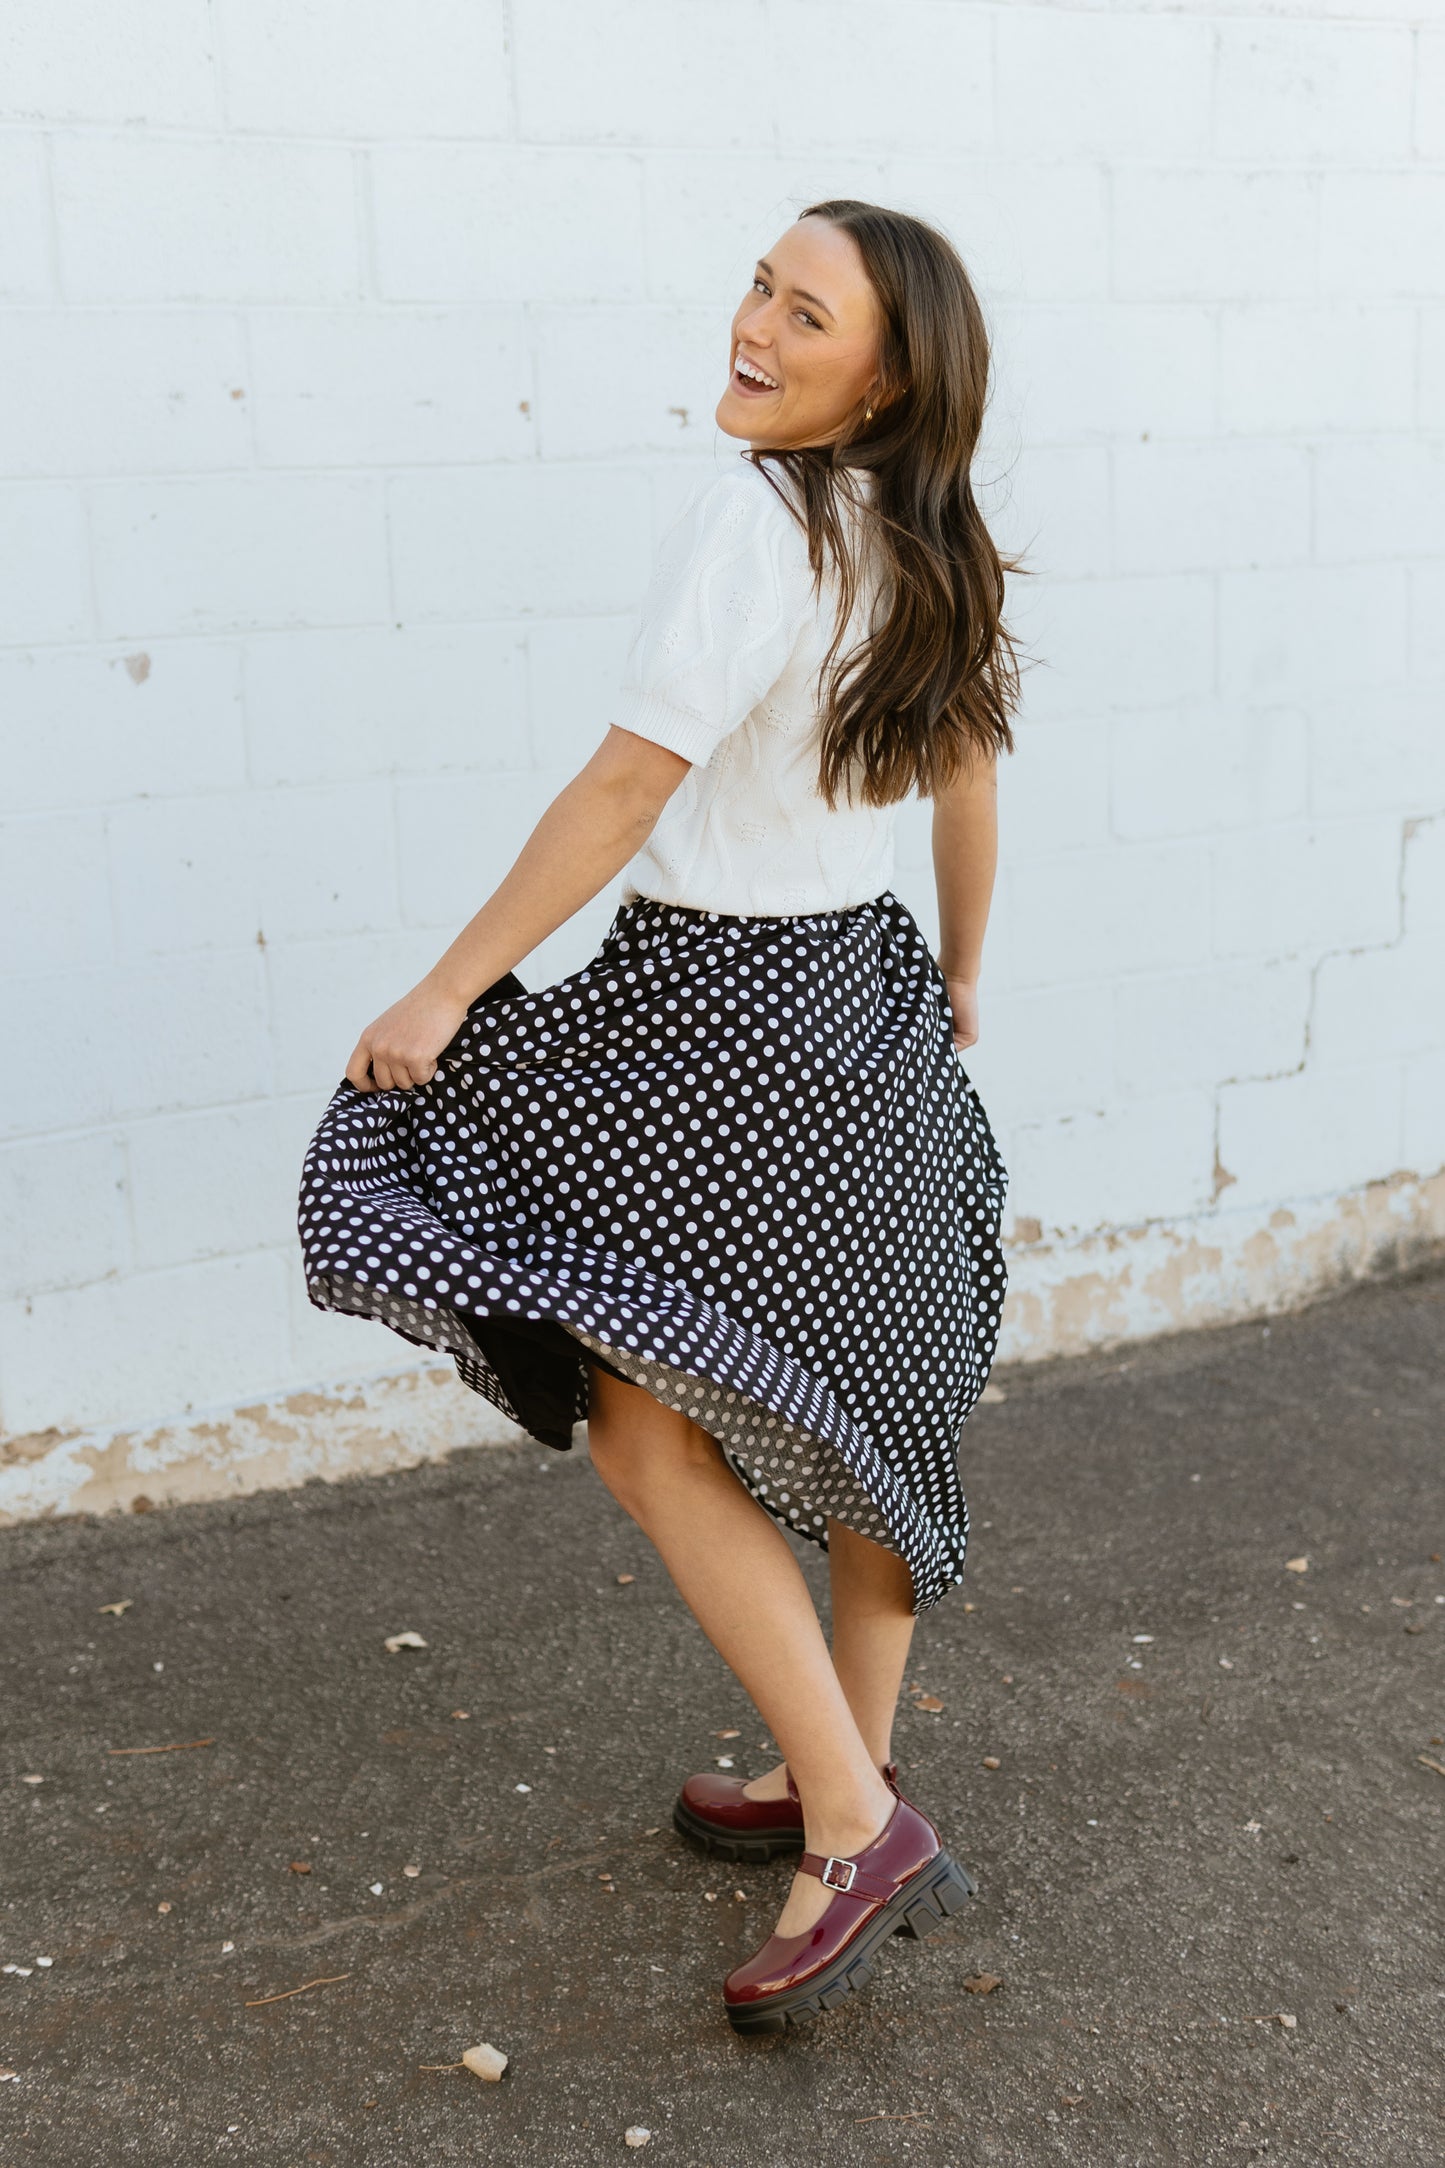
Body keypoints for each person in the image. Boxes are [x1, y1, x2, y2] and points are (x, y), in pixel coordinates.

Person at [297, 198, 1022, 2035]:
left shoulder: (756, 520)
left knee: (638, 1420)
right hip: (862, 1003)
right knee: (859, 1407)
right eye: (758, 287)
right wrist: (953, 976)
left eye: (807, 314)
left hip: (718, 1018)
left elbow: (627, 788)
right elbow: (966, 788)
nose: (755, 327)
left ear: (884, 378)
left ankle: (852, 1821)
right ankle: (830, 1759)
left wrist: (448, 988)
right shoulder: (930, 542)